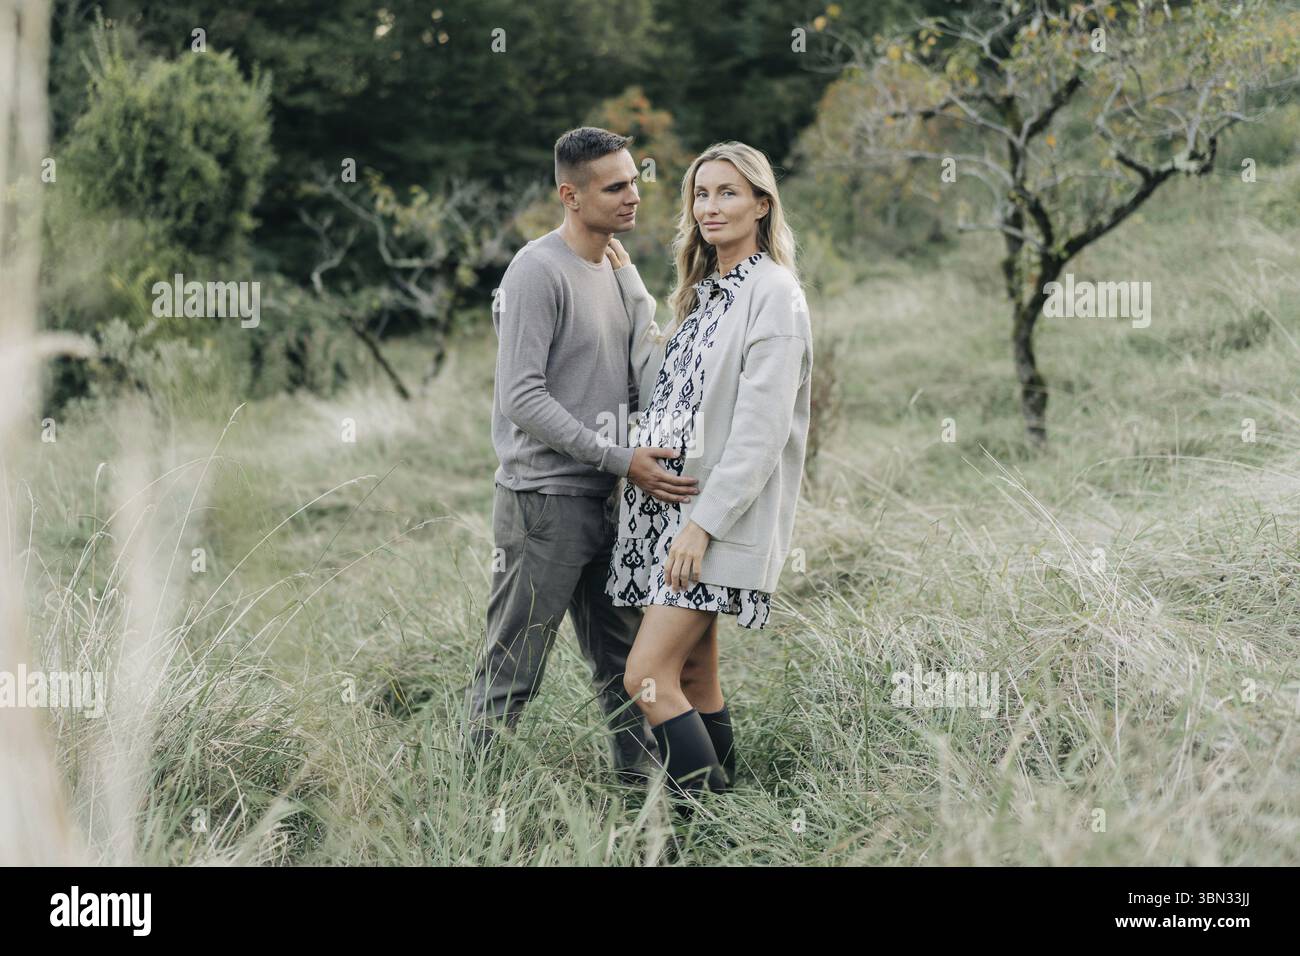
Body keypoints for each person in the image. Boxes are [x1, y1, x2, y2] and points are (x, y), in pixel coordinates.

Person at [463, 127, 693, 782]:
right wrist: (622, 460)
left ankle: (645, 823)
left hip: (603, 505)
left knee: (627, 676)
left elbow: (633, 376)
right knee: (511, 677)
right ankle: (468, 820)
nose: (633, 196)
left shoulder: (614, 272)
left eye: (634, 182)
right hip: (542, 508)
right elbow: (522, 398)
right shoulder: (535, 272)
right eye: (615, 186)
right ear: (570, 194)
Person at [606, 141, 814, 801]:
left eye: (728, 192)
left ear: (761, 203)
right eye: (701, 193)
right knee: (694, 680)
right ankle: (732, 822)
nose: (711, 206)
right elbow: (670, 382)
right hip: (666, 513)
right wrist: (635, 289)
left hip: (707, 520)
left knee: (645, 676)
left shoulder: (773, 293)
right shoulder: (708, 293)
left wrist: (703, 526)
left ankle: (709, 821)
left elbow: (760, 431)